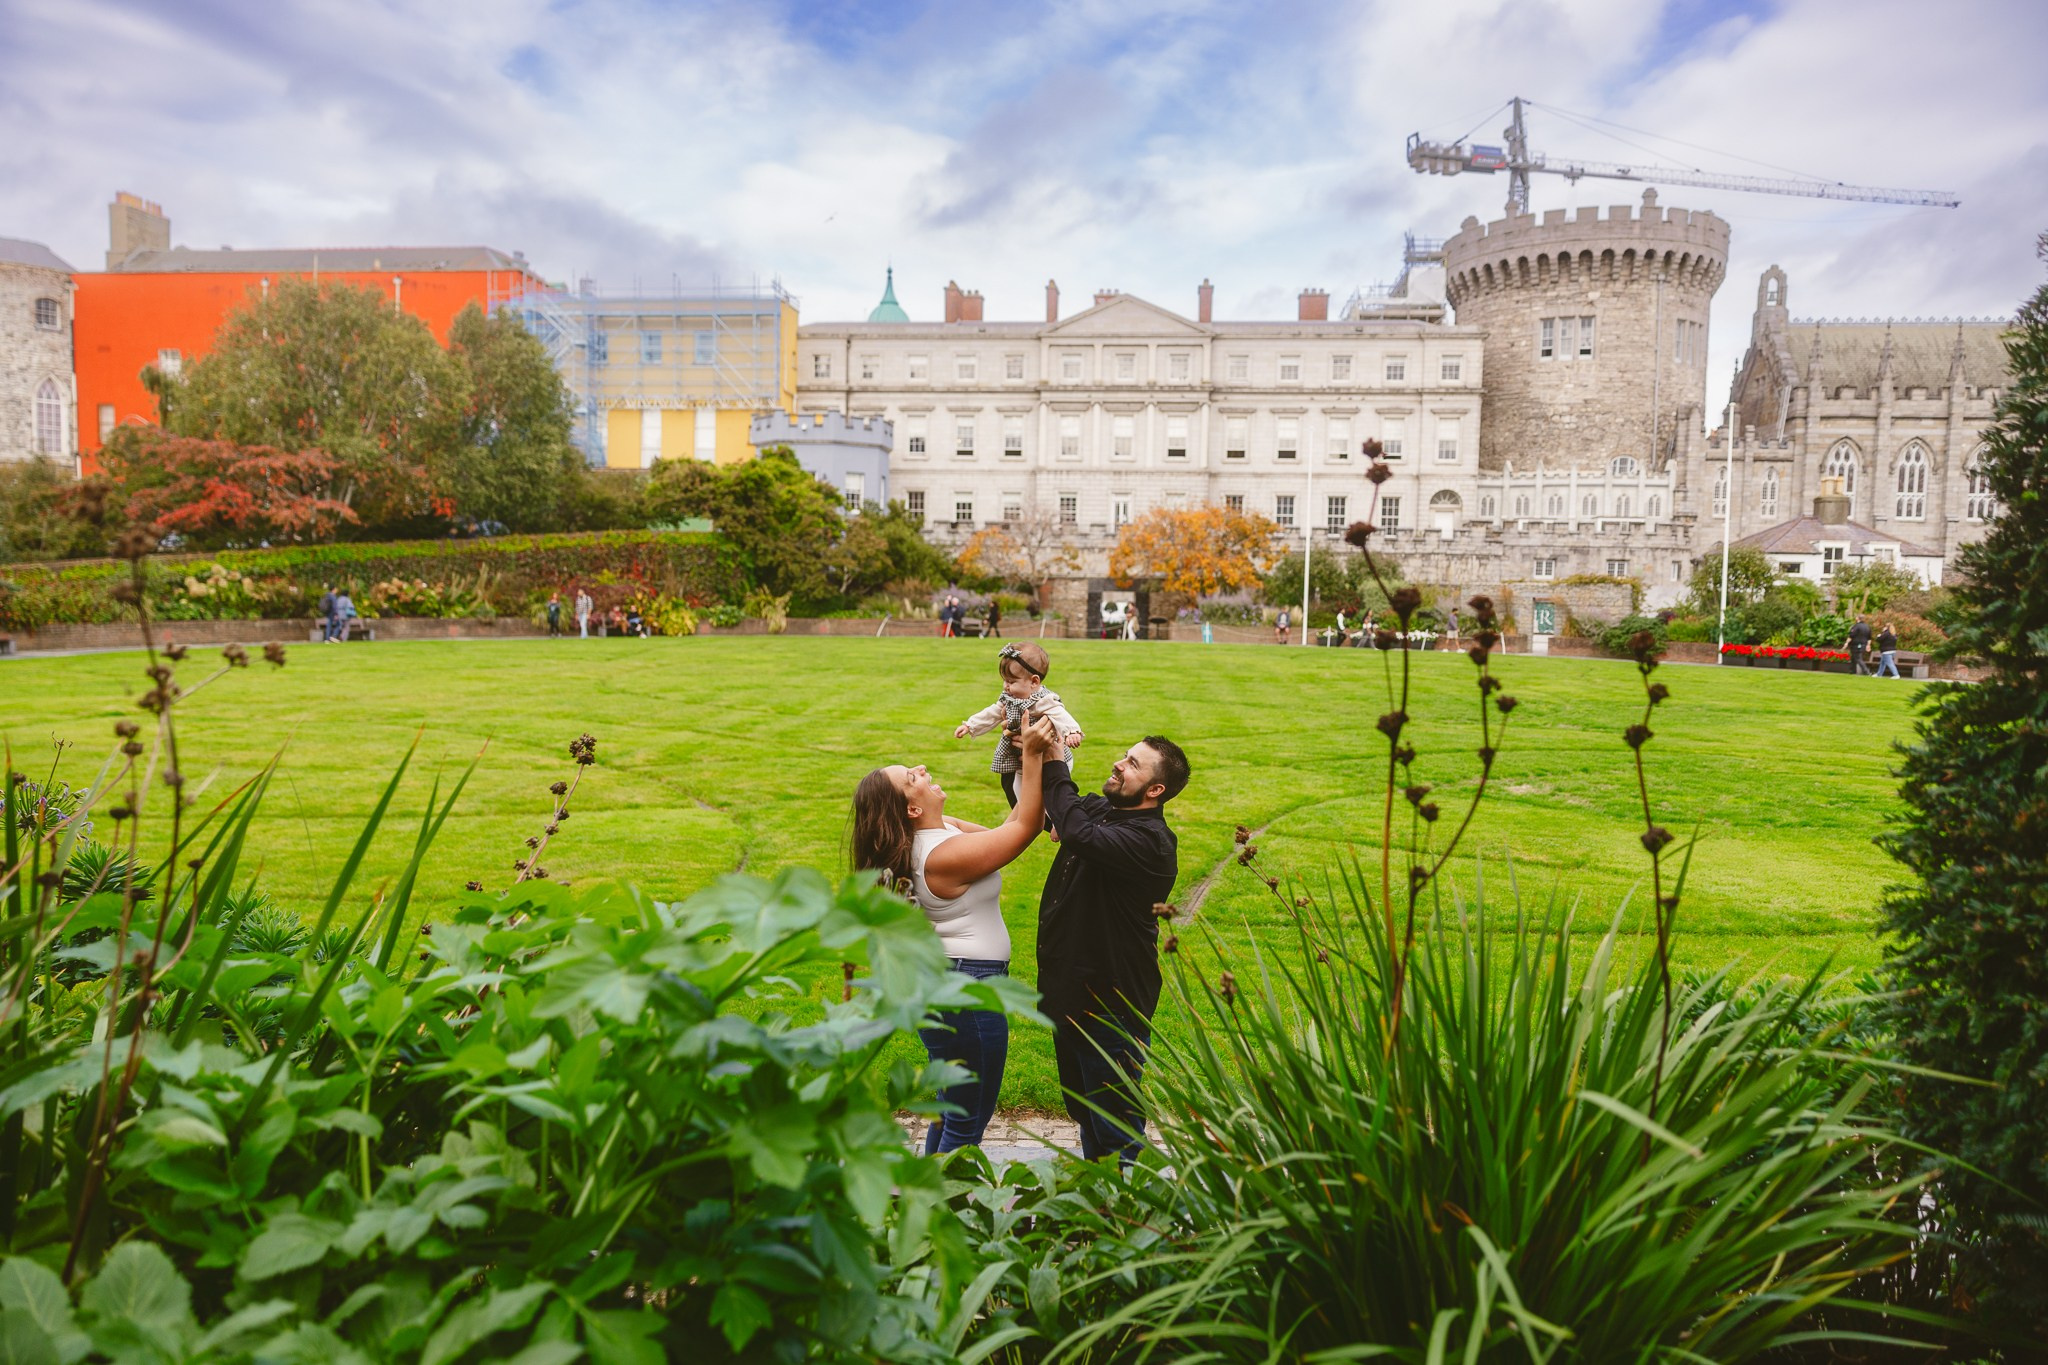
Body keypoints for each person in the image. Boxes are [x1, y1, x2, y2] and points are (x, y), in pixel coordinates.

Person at [850, 739, 1048, 1154]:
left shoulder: (942, 833)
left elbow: (1011, 826)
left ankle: (928, 1187)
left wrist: (1025, 762)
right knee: (966, 1119)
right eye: (912, 777)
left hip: (953, 981)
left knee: (952, 1108)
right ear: (911, 809)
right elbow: (1025, 830)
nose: (922, 768)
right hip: (966, 989)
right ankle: (948, 1193)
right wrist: (1032, 757)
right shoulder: (939, 856)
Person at [1023, 713, 1188, 1164]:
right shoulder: (1101, 812)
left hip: (1112, 1005)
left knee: (1116, 1125)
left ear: (1155, 790)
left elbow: (1076, 832)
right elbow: (1051, 810)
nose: (1119, 763)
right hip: (1069, 993)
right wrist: (1028, 752)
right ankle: (1098, 1194)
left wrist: (1056, 758)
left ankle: (1128, 1201)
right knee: (1084, 1110)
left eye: (1133, 764)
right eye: (1126, 755)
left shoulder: (1151, 842)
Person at [955, 642, 1083, 807]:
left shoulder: (1043, 700)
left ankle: (1049, 816)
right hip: (1022, 756)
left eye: (1011, 681)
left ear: (1034, 681)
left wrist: (1072, 732)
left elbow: (1060, 715)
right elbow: (992, 712)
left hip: (1050, 759)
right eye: (1004, 680)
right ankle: (1025, 815)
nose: (1006, 686)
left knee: (1049, 793)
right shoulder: (1009, 698)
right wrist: (970, 725)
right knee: (1019, 793)